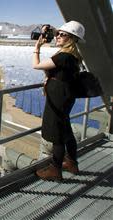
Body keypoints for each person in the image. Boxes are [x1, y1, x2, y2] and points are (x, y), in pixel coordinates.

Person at [32, 21, 85, 181]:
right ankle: (72, 163)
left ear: (72, 39)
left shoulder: (63, 56)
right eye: (58, 34)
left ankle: (55, 170)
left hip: (58, 99)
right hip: (64, 97)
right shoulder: (73, 56)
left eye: (63, 35)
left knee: (57, 134)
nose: (58, 36)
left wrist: (37, 48)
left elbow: (36, 65)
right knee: (65, 130)